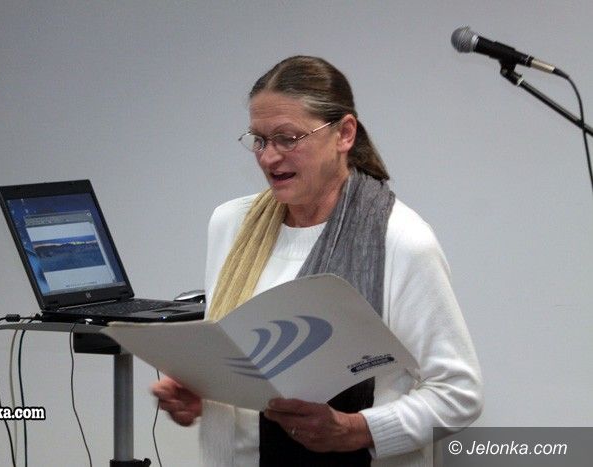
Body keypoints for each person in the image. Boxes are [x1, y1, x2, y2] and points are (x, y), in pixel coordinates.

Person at [151, 55, 483, 466]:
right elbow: (243, 373)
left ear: (344, 133)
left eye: (288, 138)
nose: (269, 158)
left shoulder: (401, 240)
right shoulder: (231, 224)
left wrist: (355, 430)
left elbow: (458, 394)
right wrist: (201, 387)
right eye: (259, 140)